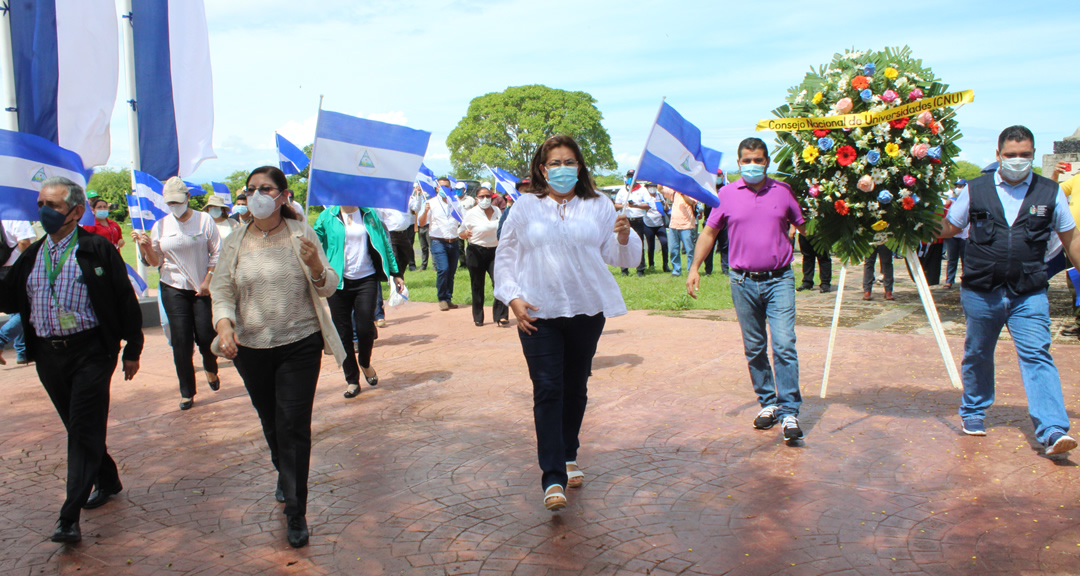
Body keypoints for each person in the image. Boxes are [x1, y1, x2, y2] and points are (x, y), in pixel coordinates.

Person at [495, 134, 641, 512]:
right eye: (555, 163)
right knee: (547, 389)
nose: (563, 169)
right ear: (542, 169)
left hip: (586, 310)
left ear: (580, 166)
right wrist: (512, 297)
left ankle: (569, 452)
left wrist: (625, 236)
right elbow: (507, 255)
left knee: (575, 387)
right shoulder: (524, 207)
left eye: (569, 162)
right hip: (537, 313)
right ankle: (553, 476)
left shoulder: (599, 205)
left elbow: (618, 258)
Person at [0, 177, 143, 543]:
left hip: (92, 352)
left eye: (53, 205)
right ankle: (107, 479)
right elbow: (9, 301)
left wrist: (132, 349)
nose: (44, 212)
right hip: (49, 355)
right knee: (79, 425)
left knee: (82, 428)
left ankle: (69, 515)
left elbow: (125, 300)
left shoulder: (96, 249)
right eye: (40, 205)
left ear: (76, 211)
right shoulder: (33, 256)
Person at [210, 166, 345, 548]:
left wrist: (317, 266)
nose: (257, 195)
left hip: (299, 344)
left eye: (265, 188)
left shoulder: (302, 234)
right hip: (250, 348)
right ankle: (284, 474)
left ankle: (296, 511)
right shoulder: (234, 241)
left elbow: (328, 287)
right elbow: (221, 290)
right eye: (251, 189)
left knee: (293, 428)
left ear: (283, 195)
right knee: (271, 423)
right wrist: (224, 325)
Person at [939, 126, 1080, 457]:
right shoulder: (975, 189)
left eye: (1025, 155)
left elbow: (1069, 238)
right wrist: (910, 219)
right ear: (999, 154)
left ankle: (1053, 429)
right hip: (981, 289)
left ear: (1033, 154)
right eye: (1012, 155)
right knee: (978, 352)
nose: (1019, 161)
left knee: (1037, 354)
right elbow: (952, 227)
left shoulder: (1050, 191)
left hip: (1028, 291)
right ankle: (973, 411)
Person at [686, 138, 807, 442]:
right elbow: (709, 232)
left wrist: (838, 225)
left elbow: (805, 225)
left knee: (784, 344)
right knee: (754, 347)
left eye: (759, 160)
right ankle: (768, 403)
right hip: (742, 281)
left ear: (767, 162)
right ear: (738, 163)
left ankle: (789, 409)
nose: (753, 165)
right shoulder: (725, 194)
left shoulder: (783, 192)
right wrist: (694, 267)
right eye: (747, 160)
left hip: (779, 279)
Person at [132, 177, 222, 410]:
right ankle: (186, 391)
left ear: (188, 198)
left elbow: (217, 253)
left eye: (178, 201)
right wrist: (144, 248)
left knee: (205, 336)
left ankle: (211, 367)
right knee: (180, 340)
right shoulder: (160, 226)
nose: (175, 206)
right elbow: (155, 261)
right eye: (170, 203)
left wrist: (207, 281)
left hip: (201, 287)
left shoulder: (204, 221)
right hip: (172, 286)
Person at [314, 204, 404, 398]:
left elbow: (385, 245)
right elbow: (314, 241)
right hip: (337, 282)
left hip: (367, 279)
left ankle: (365, 362)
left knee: (365, 328)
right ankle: (352, 380)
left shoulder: (369, 214)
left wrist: (396, 273)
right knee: (343, 333)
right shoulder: (327, 216)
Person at [459, 186, 508, 326]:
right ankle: (478, 317)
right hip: (476, 251)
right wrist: (465, 235)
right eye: (481, 196)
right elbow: (460, 232)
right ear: (476, 198)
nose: (485, 199)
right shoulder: (471, 213)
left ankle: (501, 315)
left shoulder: (498, 211)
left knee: (500, 282)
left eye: (487, 196)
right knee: (477, 285)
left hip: (495, 251)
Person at [418, 179, 460, 310]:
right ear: (437, 188)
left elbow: (462, 218)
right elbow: (421, 222)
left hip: (454, 240)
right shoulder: (430, 203)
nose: (444, 189)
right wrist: (425, 211)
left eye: (446, 187)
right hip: (438, 240)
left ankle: (448, 297)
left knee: (451, 271)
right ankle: (442, 298)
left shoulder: (455, 202)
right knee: (443, 269)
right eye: (441, 186)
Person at [1048, 163, 1080, 337]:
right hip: (1074, 243)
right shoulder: (1076, 180)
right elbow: (1051, 193)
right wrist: (1055, 173)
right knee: (1076, 284)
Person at [0, 219, 36, 365]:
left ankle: (22, 352)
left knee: (16, 310)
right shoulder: (16, 217)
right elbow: (23, 242)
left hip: (1, 268)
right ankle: (1, 339)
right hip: (15, 268)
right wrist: (28, 263)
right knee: (29, 308)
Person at [614, 170, 648, 277]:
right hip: (625, 219)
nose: (630, 178)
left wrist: (636, 205)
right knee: (622, 244)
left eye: (632, 176)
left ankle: (640, 269)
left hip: (637, 219)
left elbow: (648, 205)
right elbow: (616, 205)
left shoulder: (642, 190)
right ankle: (624, 269)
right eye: (629, 176)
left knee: (639, 244)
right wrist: (625, 205)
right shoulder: (622, 191)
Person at [664, 186, 697, 276]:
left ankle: (691, 270)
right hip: (673, 225)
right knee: (674, 250)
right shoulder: (674, 192)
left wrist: (683, 192)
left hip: (687, 226)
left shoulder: (691, 192)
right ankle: (676, 270)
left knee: (689, 250)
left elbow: (691, 202)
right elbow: (660, 189)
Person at [942, 179, 968, 290]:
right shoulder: (953, 200)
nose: (958, 188)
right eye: (957, 186)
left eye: (961, 186)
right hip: (952, 235)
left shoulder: (969, 200)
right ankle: (949, 280)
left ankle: (966, 280)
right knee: (952, 258)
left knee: (965, 259)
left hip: (965, 234)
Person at [702, 170, 730, 276]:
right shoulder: (708, 189)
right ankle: (708, 270)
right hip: (710, 222)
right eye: (715, 175)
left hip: (724, 222)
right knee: (708, 247)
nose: (717, 177)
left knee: (725, 246)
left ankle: (725, 269)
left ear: (722, 176)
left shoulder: (726, 189)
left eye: (719, 175)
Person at [640, 184, 669, 272]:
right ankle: (651, 265)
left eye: (654, 186)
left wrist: (665, 205)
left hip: (660, 224)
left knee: (664, 243)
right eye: (650, 186)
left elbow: (665, 209)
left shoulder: (659, 195)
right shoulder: (644, 197)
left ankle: (665, 265)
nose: (652, 188)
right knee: (651, 245)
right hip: (648, 224)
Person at [411, 185, 430, 271]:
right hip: (420, 226)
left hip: (428, 225)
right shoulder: (417, 200)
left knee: (431, 246)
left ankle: (435, 265)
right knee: (423, 247)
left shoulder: (428, 200)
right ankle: (423, 265)